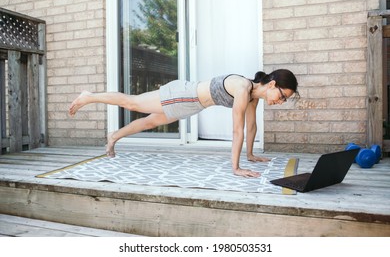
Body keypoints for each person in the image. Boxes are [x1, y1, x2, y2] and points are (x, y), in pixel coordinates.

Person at [69, 69, 299, 178]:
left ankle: (113, 137)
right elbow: (237, 129)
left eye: (285, 99)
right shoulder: (243, 88)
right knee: (132, 103)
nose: (281, 101)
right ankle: (89, 96)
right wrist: (236, 168)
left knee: (149, 123)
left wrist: (250, 155)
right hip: (184, 95)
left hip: (191, 104)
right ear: (272, 84)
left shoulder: (252, 97)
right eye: (283, 95)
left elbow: (251, 127)